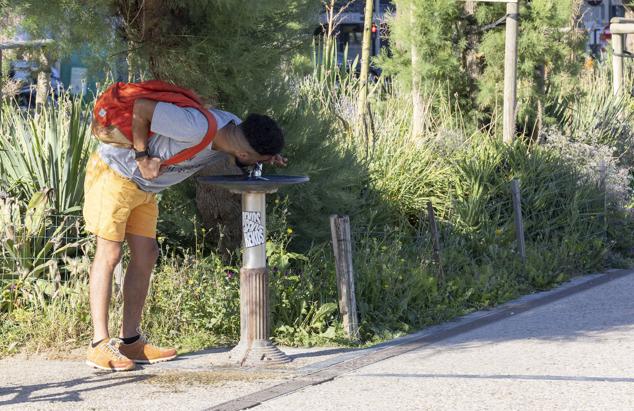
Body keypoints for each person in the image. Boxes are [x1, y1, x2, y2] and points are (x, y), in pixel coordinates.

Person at [83, 90, 287, 371]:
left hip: (144, 188)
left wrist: (264, 156)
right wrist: (143, 157)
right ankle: (98, 344)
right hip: (115, 173)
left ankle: (130, 340)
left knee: (147, 254)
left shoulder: (234, 127)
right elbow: (142, 108)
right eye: (256, 159)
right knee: (110, 254)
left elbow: (245, 149)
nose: (256, 164)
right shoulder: (196, 127)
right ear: (243, 152)